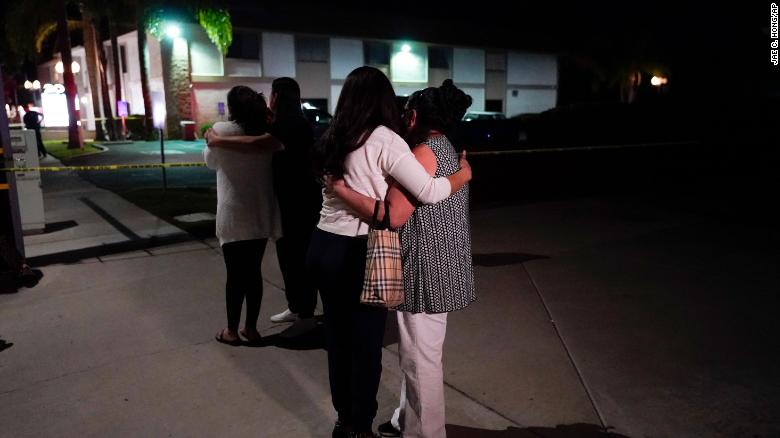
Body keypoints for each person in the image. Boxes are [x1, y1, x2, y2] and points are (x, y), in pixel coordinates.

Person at [307, 67, 472, 438]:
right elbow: (411, 204)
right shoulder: (389, 141)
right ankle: (360, 426)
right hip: (357, 249)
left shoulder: (335, 135)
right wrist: (463, 175)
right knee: (365, 345)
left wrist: (339, 190)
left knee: (337, 339)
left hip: (322, 244)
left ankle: (344, 419)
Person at [206, 78, 322, 335]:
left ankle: (305, 315)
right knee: (284, 261)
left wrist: (216, 140)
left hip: (296, 206)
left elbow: (261, 144)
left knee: (296, 261)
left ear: (278, 96)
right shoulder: (282, 123)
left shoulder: (291, 125)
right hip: (281, 204)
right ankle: (291, 310)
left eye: (272, 94)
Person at [204, 86, 283, 346]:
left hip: (233, 212)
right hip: (259, 211)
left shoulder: (221, 131)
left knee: (235, 274)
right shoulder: (264, 133)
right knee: (253, 272)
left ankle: (231, 330)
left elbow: (210, 161)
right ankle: (251, 328)